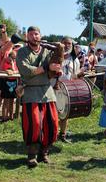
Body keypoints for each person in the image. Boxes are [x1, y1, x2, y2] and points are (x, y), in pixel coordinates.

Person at [16, 26, 59, 168]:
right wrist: (46, 68)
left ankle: (44, 153)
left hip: (47, 92)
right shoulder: (22, 52)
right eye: (32, 34)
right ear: (27, 36)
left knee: (51, 124)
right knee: (33, 124)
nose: (35, 37)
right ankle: (31, 156)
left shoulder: (47, 51)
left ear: (41, 35)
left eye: (37, 34)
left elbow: (55, 68)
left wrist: (57, 61)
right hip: (30, 92)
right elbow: (26, 70)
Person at [58, 36, 81, 143]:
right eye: (65, 43)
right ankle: (51, 134)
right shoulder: (54, 56)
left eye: (69, 44)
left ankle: (62, 135)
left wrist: (79, 75)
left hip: (67, 90)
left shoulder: (74, 60)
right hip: (54, 88)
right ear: (61, 43)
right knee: (53, 113)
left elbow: (74, 75)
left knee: (64, 114)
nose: (67, 45)